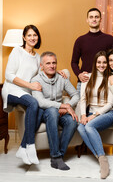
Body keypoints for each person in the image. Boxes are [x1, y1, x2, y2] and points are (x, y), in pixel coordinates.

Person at [2, 25, 43, 165]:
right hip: (12, 90)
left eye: (35, 35)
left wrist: (60, 72)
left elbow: (39, 76)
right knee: (33, 103)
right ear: (24, 37)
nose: (33, 38)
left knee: (38, 109)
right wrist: (30, 86)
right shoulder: (17, 51)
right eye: (30, 35)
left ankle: (23, 148)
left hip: (25, 93)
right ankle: (30, 146)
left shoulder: (37, 57)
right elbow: (9, 75)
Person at [31, 51, 79, 170]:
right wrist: (61, 106)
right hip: (44, 112)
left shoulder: (62, 78)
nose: (52, 66)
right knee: (52, 111)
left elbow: (76, 95)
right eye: (48, 63)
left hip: (60, 110)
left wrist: (67, 104)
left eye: (54, 63)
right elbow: (41, 102)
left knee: (72, 121)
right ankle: (56, 155)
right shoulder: (36, 80)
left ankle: (58, 156)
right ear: (41, 66)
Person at [71, 7, 113, 94]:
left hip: (104, 81)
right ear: (87, 20)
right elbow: (74, 62)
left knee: (105, 107)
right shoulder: (80, 40)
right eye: (91, 17)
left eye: (96, 17)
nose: (94, 19)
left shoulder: (109, 39)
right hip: (85, 81)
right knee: (81, 107)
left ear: (100, 20)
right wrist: (79, 74)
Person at [77, 51, 113, 179]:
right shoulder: (87, 77)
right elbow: (83, 99)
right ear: (95, 63)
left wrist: (94, 115)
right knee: (80, 127)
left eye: (104, 62)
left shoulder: (110, 78)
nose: (102, 65)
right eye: (99, 62)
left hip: (107, 113)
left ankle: (102, 162)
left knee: (89, 126)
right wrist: (83, 115)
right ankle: (101, 158)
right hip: (90, 113)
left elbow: (110, 103)